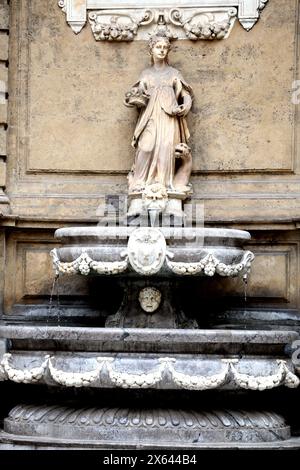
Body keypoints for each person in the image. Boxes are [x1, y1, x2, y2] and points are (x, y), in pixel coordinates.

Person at [125, 34, 193, 193]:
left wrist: (186, 105)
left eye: (164, 48)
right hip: (150, 116)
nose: (162, 50)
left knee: (165, 148)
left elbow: (185, 94)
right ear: (151, 50)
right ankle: (139, 182)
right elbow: (138, 94)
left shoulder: (173, 73)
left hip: (169, 117)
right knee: (146, 147)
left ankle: (163, 184)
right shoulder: (146, 74)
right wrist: (133, 98)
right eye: (158, 47)